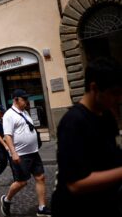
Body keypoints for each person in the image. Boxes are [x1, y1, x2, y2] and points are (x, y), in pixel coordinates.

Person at [51, 58, 122, 217]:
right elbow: (76, 184)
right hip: (77, 209)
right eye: (114, 93)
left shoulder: (107, 115)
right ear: (94, 88)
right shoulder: (73, 122)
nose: (119, 99)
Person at [0, 89, 51, 216]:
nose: (27, 102)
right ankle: (6, 200)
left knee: (40, 177)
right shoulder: (9, 115)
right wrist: (14, 153)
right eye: (24, 99)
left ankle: (41, 208)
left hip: (33, 152)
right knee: (22, 182)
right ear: (16, 100)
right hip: (21, 154)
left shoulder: (25, 112)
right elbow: (7, 136)